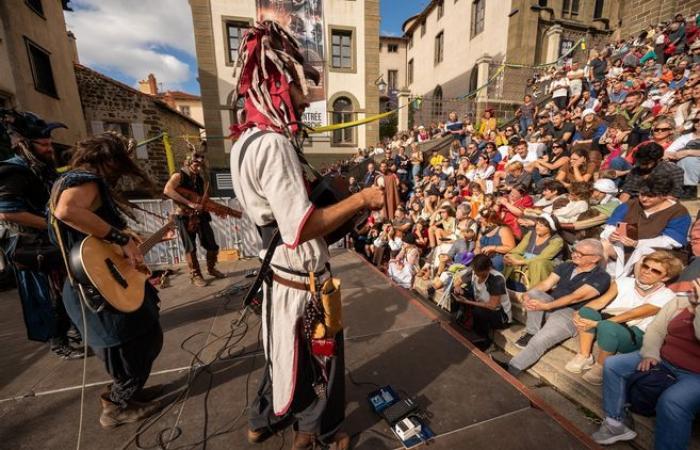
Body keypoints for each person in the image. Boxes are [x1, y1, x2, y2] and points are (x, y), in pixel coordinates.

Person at [228, 21, 384, 449]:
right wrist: (361, 200)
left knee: (281, 352)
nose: (307, 91)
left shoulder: (244, 141)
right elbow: (300, 228)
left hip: (278, 272)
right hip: (300, 277)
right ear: (279, 81)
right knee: (321, 357)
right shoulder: (273, 145)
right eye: (300, 80)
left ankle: (262, 419)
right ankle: (318, 433)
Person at [51, 132, 163, 428]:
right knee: (138, 343)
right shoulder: (84, 180)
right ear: (109, 160)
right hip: (96, 288)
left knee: (139, 338)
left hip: (94, 283)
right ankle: (117, 405)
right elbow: (67, 212)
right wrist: (119, 237)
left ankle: (129, 392)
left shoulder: (64, 182)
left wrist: (127, 247)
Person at [0, 111, 83, 359]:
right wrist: (52, 224)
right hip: (30, 245)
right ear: (25, 145)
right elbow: (7, 213)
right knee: (47, 297)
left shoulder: (42, 167)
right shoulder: (12, 171)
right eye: (43, 144)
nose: (49, 148)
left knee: (65, 288)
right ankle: (57, 341)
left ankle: (70, 328)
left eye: (49, 144)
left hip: (49, 241)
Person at [591, 278, 700, 449]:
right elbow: (656, 329)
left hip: (695, 374)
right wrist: (651, 353)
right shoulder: (680, 300)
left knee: (673, 402)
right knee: (614, 365)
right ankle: (615, 423)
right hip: (664, 358)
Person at [567, 251, 683, 385]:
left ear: (665, 277)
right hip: (609, 323)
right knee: (587, 311)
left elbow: (632, 314)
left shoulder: (667, 296)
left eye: (655, 271)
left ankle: (601, 366)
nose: (646, 271)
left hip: (634, 334)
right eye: (645, 266)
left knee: (607, 325)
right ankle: (584, 355)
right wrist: (580, 311)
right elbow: (601, 302)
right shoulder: (624, 282)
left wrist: (597, 324)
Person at [506, 239, 611, 375]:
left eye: (581, 254)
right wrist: (526, 295)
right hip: (551, 304)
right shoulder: (567, 266)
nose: (575, 255)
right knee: (534, 293)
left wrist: (546, 306)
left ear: (595, 258)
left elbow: (575, 297)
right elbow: (546, 285)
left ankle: (512, 367)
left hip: (570, 313)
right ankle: (531, 332)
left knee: (540, 340)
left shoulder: (601, 277)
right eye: (575, 251)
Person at [602, 176, 691, 278]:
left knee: (643, 252)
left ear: (664, 196)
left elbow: (671, 241)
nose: (644, 198)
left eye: (650, 196)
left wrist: (638, 243)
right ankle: (597, 279)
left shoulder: (678, 212)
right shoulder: (630, 205)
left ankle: (631, 283)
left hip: (659, 252)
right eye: (642, 194)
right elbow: (611, 225)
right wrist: (612, 235)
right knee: (603, 245)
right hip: (625, 248)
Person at [163, 150, 225, 287]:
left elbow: (203, 197)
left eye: (200, 165)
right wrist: (189, 203)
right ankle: (195, 274)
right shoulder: (179, 175)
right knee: (190, 247)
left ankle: (211, 268)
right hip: (184, 216)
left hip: (200, 215)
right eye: (196, 164)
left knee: (212, 244)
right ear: (189, 162)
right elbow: (167, 190)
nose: (198, 167)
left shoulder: (199, 178)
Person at [453, 254, 511, 347]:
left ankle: (484, 339)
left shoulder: (496, 279)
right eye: (475, 272)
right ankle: (463, 321)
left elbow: (493, 305)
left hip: (500, 315)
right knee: (457, 293)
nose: (476, 274)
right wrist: (457, 288)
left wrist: (467, 302)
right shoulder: (474, 271)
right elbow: (458, 282)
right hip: (480, 303)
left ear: (488, 269)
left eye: (479, 273)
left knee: (479, 311)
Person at [503, 214, 564, 288]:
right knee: (513, 256)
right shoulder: (531, 233)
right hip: (527, 259)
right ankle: (511, 285)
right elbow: (519, 249)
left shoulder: (557, 240)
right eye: (537, 224)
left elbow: (543, 257)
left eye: (541, 226)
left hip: (543, 264)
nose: (537, 227)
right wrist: (509, 256)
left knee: (538, 263)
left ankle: (535, 291)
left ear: (550, 228)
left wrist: (520, 262)